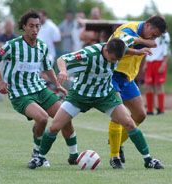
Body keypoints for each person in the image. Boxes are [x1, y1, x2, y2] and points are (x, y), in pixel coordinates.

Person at [28, 37, 164, 170]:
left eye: (117, 59)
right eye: (113, 59)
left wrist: (138, 50)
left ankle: (148, 160)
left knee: (129, 123)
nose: (114, 62)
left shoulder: (118, 43)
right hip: (80, 96)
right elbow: (62, 59)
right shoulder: (88, 54)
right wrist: (63, 71)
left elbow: (132, 41)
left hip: (105, 95)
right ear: (106, 50)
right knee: (54, 127)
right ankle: (40, 157)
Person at [0, 10, 78, 168]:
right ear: (24, 27)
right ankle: (37, 154)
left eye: (37, 26)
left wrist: (57, 85)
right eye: (31, 26)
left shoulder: (42, 46)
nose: (35, 30)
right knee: (42, 118)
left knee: (64, 117)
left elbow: (47, 67)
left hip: (39, 89)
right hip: (20, 94)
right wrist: (0, 81)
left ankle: (74, 156)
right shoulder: (12, 45)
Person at [107, 15, 167, 167]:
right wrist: (143, 41)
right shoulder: (128, 28)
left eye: (157, 36)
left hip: (127, 78)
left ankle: (117, 142)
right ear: (147, 25)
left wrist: (145, 41)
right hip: (112, 74)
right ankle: (114, 157)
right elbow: (118, 47)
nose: (154, 39)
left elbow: (152, 44)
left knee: (140, 114)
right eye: (153, 34)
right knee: (118, 115)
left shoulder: (146, 34)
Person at [144, 32, 170, 115]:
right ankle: (150, 110)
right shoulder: (150, 32)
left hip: (159, 61)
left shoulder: (165, 35)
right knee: (148, 85)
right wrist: (146, 61)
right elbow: (148, 47)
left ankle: (161, 109)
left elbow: (167, 49)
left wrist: (164, 63)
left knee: (158, 85)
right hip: (149, 62)